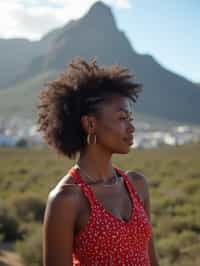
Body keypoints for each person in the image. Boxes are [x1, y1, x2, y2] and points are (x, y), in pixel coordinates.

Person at [37, 58, 159, 266]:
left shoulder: (137, 184)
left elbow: (151, 260)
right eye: (122, 118)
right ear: (90, 123)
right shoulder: (66, 200)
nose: (131, 128)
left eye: (130, 118)